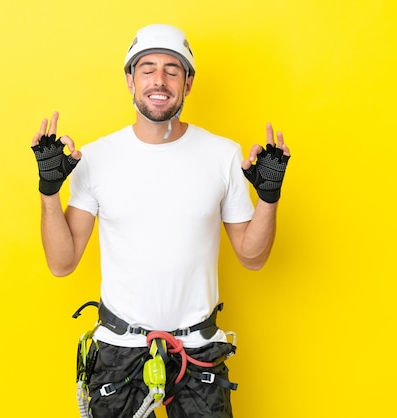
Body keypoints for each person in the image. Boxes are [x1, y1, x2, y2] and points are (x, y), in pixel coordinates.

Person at [30, 24, 290, 418]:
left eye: (172, 70)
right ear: (130, 79)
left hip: (199, 353)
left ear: (187, 83)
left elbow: (252, 257)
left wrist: (268, 197)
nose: (159, 80)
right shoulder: (97, 158)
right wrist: (50, 192)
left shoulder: (223, 154)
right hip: (120, 354)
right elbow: (61, 263)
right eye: (147, 68)